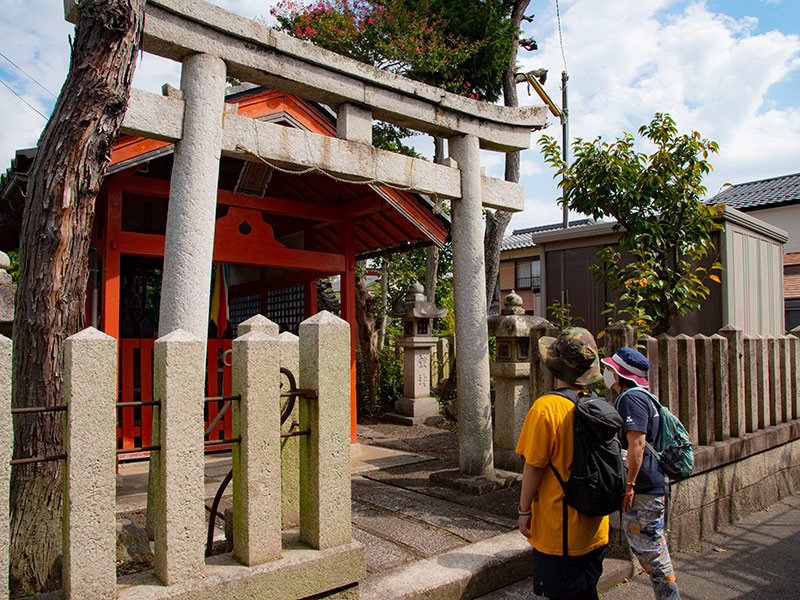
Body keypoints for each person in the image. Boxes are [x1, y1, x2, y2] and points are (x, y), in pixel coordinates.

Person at [516, 327, 608, 600]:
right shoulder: (597, 405)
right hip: (595, 527)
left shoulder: (546, 409)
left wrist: (523, 511)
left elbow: (533, 466)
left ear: (554, 366)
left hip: (560, 531)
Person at [602, 347, 680, 600]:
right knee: (653, 547)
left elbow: (637, 444)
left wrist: (630, 485)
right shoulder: (645, 397)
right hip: (654, 481)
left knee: (651, 552)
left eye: (611, 369)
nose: (607, 373)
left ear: (620, 374)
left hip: (644, 485)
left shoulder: (630, 399)